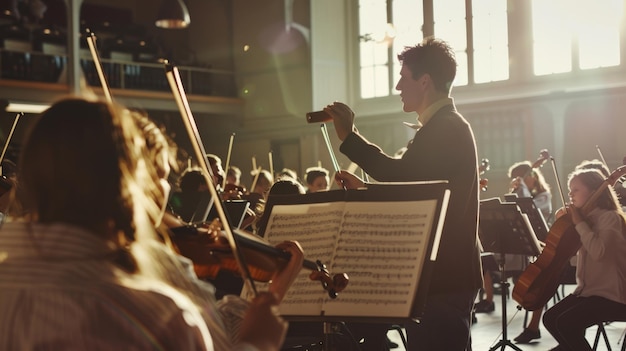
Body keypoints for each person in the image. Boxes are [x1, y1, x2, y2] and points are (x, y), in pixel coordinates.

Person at [0, 97, 304, 351]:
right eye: (158, 175)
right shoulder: (155, 313)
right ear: (131, 183)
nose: (162, 190)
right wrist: (258, 342)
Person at [325, 37, 482, 350]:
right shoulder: (442, 126)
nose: (398, 86)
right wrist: (365, 188)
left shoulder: (445, 127)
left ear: (424, 82)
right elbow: (413, 189)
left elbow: (398, 173)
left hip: (446, 277)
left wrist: (350, 136)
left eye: (403, 77)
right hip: (444, 277)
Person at [543, 168, 626, 351]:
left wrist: (579, 224)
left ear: (594, 191)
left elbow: (598, 253)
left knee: (566, 324)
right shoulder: (587, 220)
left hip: (613, 296)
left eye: (576, 190)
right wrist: (567, 235)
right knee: (550, 318)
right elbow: (574, 261)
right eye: (570, 190)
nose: (570, 194)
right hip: (587, 292)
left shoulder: (609, 218)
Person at [475, 160, 553, 344]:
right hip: (519, 245)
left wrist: (522, 188)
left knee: (534, 285)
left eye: (521, 179)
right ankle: (489, 298)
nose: (517, 182)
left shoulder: (544, 195)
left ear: (531, 177)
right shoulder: (520, 192)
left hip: (538, 246)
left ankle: (533, 326)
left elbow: (530, 208)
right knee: (485, 259)